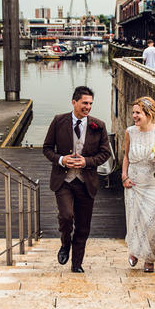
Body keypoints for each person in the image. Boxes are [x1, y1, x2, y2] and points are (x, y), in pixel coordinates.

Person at [43, 86, 111, 273]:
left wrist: (86, 161)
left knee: (83, 225)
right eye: (84, 103)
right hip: (63, 180)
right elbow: (47, 148)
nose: (87, 107)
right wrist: (61, 160)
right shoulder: (59, 121)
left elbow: (105, 153)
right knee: (66, 216)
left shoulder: (99, 125)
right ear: (74, 102)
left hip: (86, 181)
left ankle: (76, 263)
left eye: (90, 104)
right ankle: (65, 243)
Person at [122, 97, 155, 273]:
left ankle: (149, 258)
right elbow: (126, 156)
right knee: (134, 220)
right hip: (134, 183)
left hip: (154, 184)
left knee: (151, 222)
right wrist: (124, 176)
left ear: (149, 114)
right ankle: (134, 251)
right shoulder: (130, 132)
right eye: (133, 112)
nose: (134, 116)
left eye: (138, 113)